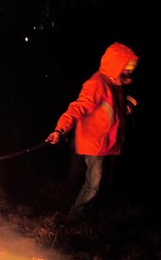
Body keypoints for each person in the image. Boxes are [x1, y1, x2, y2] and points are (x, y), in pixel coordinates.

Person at [45, 42, 139, 215]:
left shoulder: (115, 83)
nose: (130, 70)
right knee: (92, 185)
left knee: (96, 183)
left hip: (106, 143)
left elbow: (109, 111)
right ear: (116, 64)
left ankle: (80, 214)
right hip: (94, 143)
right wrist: (60, 130)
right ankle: (73, 216)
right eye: (127, 66)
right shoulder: (96, 84)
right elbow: (77, 108)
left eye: (132, 66)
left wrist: (124, 107)